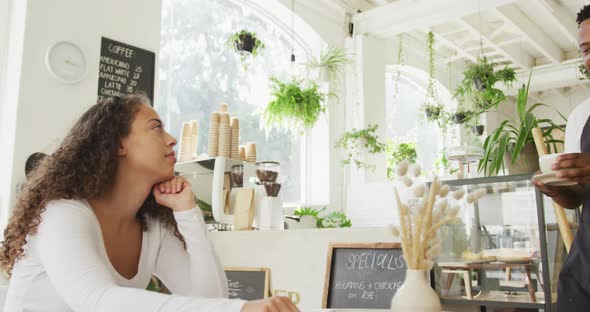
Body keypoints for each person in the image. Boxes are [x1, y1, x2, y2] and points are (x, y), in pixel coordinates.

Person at [0, 94, 299, 312]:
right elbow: (96, 301)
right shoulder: (62, 213)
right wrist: (241, 310)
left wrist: (187, 212)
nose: (171, 140)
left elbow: (210, 301)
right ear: (118, 144)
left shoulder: (150, 225)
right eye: (156, 127)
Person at [532, 5, 590, 310]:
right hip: (585, 272)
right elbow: (578, 199)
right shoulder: (582, 116)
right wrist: (559, 190)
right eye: (586, 49)